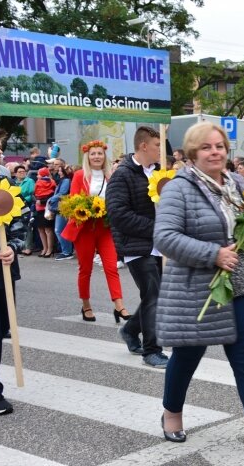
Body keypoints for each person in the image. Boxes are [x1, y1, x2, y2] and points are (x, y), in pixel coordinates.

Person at [154, 122, 244, 455]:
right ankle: (172, 413)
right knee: (187, 355)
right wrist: (212, 254)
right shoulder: (180, 187)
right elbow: (165, 237)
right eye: (206, 147)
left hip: (239, 286)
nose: (215, 151)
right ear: (192, 153)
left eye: (219, 146)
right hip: (198, 292)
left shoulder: (238, 184)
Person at [106, 126, 169, 368]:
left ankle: (131, 330)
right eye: (157, 146)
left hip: (161, 245)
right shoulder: (123, 175)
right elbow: (119, 215)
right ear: (144, 146)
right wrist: (156, 227)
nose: (161, 151)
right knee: (153, 295)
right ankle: (152, 350)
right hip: (136, 246)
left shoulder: (161, 173)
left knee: (157, 295)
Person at [61, 140, 129, 323]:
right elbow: (74, 202)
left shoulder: (111, 175)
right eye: (93, 154)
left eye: (100, 153)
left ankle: (119, 305)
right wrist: (89, 208)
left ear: (104, 155)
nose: (97, 156)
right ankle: (86, 305)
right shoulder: (79, 175)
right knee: (86, 269)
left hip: (105, 227)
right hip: (85, 227)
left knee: (111, 267)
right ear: (87, 156)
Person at [0, 129, 24, 416]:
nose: (0, 152)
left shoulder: (4, 183)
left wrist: (12, 245)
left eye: (0, 146)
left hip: (3, 272)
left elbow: (19, 225)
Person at [48, 164, 74, 260]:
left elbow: (62, 193)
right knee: (60, 230)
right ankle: (66, 251)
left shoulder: (66, 180)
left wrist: (51, 199)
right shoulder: (62, 181)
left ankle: (67, 252)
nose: (59, 173)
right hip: (61, 207)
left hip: (63, 207)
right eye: (58, 171)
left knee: (59, 230)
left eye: (60, 171)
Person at [33, 166, 56, 257]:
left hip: (45, 209)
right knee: (41, 229)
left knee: (47, 229)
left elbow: (52, 196)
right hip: (42, 208)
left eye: (38, 174)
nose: (37, 176)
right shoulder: (51, 182)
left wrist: (40, 201)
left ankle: (49, 249)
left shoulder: (49, 183)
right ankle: (45, 248)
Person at [16, 166, 36, 256]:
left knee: (28, 226)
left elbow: (32, 193)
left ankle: (28, 248)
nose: (22, 173)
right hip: (16, 207)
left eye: (23, 171)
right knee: (18, 227)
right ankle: (21, 247)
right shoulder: (14, 182)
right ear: (16, 173)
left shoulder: (29, 181)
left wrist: (23, 199)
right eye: (19, 172)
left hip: (26, 206)